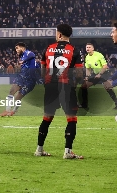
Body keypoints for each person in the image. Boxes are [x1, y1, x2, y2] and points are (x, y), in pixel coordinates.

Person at [35, 23, 84, 159]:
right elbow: (79, 73)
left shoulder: (49, 48)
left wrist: (46, 82)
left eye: (56, 32)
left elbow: (42, 70)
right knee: (71, 119)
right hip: (66, 86)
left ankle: (39, 149)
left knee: (47, 118)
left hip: (50, 86)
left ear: (60, 34)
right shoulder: (74, 50)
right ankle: (67, 152)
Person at [0, 42, 39, 116]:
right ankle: (7, 111)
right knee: (11, 91)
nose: (16, 50)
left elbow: (32, 54)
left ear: (23, 48)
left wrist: (23, 60)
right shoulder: (23, 57)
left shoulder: (28, 53)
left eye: (17, 48)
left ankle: (13, 111)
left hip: (30, 80)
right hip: (22, 76)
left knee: (18, 97)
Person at [77, 42, 117, 110]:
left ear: (93, 48)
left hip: (104, 73)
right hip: (96, 75)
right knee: (84, 86)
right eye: (87, 47)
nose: (88, 49)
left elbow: (105, 66)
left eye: (89, 47)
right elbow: (88, 68)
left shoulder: (99, 55)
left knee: (108, 88)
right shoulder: (87, 57)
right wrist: (87, 76)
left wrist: (100, 74)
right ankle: (84, 104)